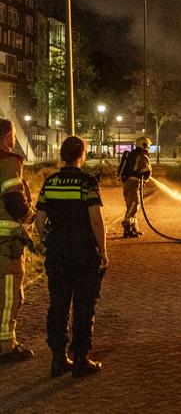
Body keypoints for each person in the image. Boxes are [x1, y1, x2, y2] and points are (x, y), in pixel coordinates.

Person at [35, 136, 108, 377]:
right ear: (82, 155)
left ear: (61, 155)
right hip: (83, 252)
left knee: (58, 304)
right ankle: (80, 358)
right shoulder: (87, 182)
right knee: (83, 305)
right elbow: (96, 219)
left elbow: (39, 220)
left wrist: (48, 240)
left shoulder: (51, 182)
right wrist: (104, 251)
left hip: (57, 253)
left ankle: (58, 358)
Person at [0, 119, 36, 364]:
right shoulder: (8, 162)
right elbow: (14, 197)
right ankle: (5, 345)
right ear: (7, 136)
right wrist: (31, 218)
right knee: (10, 295)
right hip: (5, 245)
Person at [121, 136, 152, 238]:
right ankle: (127, 228)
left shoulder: (133, 155)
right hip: (133, 185)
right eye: (148, 145)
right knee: (133, 207)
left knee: (132, 207)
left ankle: (134, 229)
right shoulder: (142, 156)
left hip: (127, 185)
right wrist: (146, 177)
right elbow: (148, 172)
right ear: (144, 144)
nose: (148, 148)